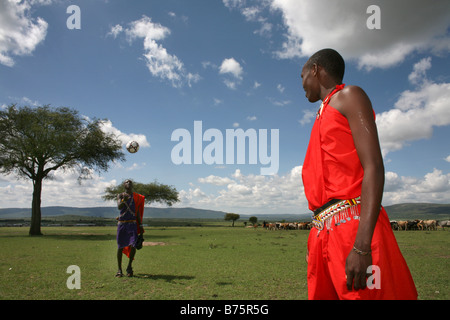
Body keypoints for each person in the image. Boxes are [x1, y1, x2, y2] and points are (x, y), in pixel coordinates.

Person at [300, 48, 417, 300]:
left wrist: (362, 247)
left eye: (302, 76)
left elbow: (374, 165)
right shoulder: (321, 113)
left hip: (353, 228)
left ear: (315, 70)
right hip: (323, 230)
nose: (301, 84)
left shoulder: (349, 95)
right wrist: (316, 239)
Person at [115, 179, 145, 277]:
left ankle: (129, 267)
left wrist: (140, 225)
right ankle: (119, 270)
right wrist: (124, 200)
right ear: (124, 185)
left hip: (132, 224)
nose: (128, 183)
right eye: (126, 182)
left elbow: (137, 212)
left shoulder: (136, 197)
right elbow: (119, 207)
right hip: (122, 224)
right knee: (120, 246)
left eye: (130, 182)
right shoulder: (120, 195)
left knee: (134, 245)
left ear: (132, 185)